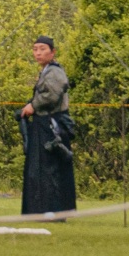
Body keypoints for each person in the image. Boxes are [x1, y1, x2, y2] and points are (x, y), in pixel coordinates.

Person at [18, 36, 77, 216]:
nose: (38, 53)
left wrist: (33, 106)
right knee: (39, 169)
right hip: (42, 124)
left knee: (50, 169)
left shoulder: (55, 71)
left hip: (52, 126)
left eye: (42, 49)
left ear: (53, 52)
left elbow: (52, 94)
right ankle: (40, 209)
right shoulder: (45, 71)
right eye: (35, 49)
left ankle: (53, 209)